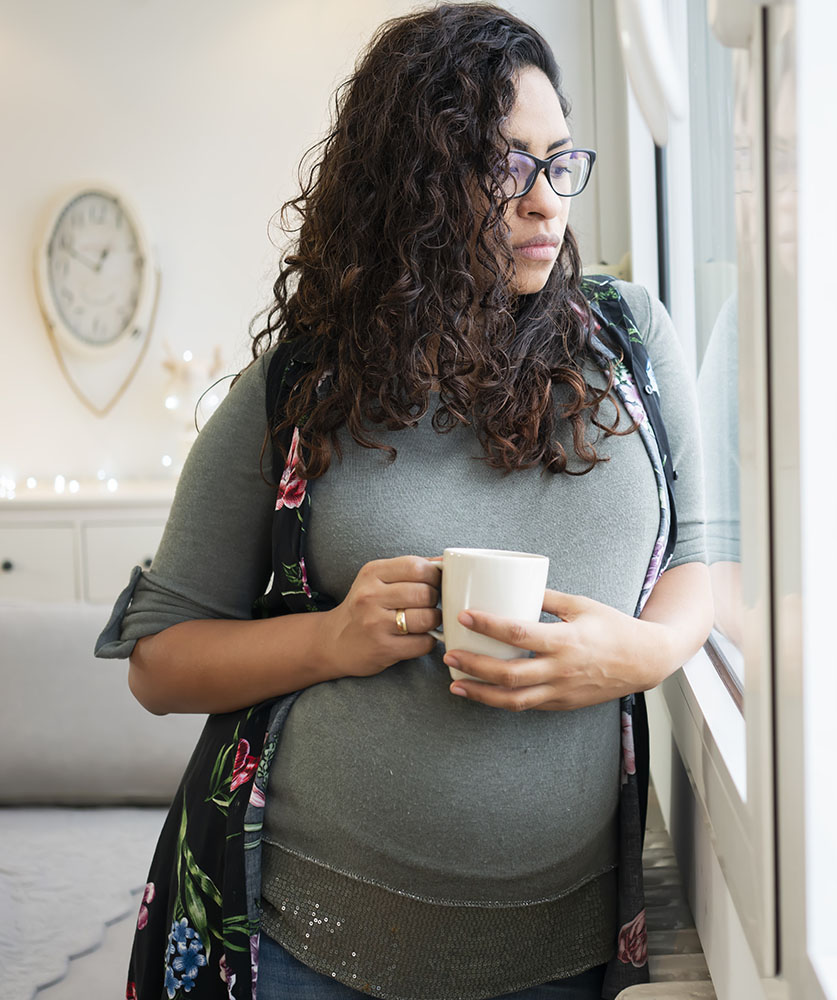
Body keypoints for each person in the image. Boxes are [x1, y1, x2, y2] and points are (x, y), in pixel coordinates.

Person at [94, 5, 712, 1000]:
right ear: (414, 183)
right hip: (313, 943)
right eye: (503, 167)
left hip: (562, 947)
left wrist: (649, 650)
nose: (546, 202)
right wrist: (333, 638)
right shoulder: (302, 387)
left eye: (559, 162)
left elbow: (705, 552)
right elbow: (161, 660)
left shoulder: (629, 346)